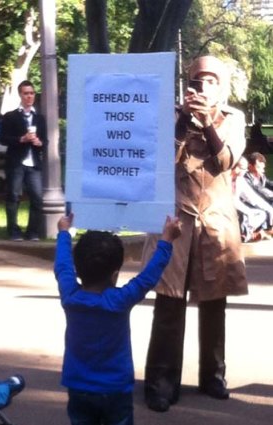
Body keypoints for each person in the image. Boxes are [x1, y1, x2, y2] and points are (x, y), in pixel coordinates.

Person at [142, 55, 248, 413]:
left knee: (214, 302)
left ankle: (213, 376)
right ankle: (160, 382)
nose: (203, 86)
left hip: (216, 222)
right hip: (176, 222)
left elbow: (224, 163)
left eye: (211, 81)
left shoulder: (233, 119)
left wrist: (207, 124)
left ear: (221, 86)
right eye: (198, 80)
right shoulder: (171, 117)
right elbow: (158, 161)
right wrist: (185, 121)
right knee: (169, 303)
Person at [54, 213, 180, 425]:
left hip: (78, 386)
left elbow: (63, 266)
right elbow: (148, 278)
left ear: (79, 269)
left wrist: (64, 233)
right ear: (114, 275)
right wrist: (166, 240)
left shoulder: (70, 296)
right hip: (115, 388)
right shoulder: (119, 301)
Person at [0, 80, 48, 241]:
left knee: (37, 198)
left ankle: (32, 232)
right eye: (26, 93)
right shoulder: (10, 116)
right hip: (16, 162)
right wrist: (22, 139)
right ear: (20, 95)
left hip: (33, 163)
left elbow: (45, 141)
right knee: (13, 196)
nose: (29, 96)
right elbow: (4, 139)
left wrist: (38, 142)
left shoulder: (39, 118)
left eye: (32, 93)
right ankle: (13, 231)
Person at [232, 156, 273, 242]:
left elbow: (253, 197)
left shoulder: (240, 180)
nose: (245, 171)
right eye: (243, 168)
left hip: (242, 209)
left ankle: (247, 234)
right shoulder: (224, 179)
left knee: (261, 214)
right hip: (226, 211)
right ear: (235, 167)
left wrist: (269, 210)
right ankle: (247, 234)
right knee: (245, 215)